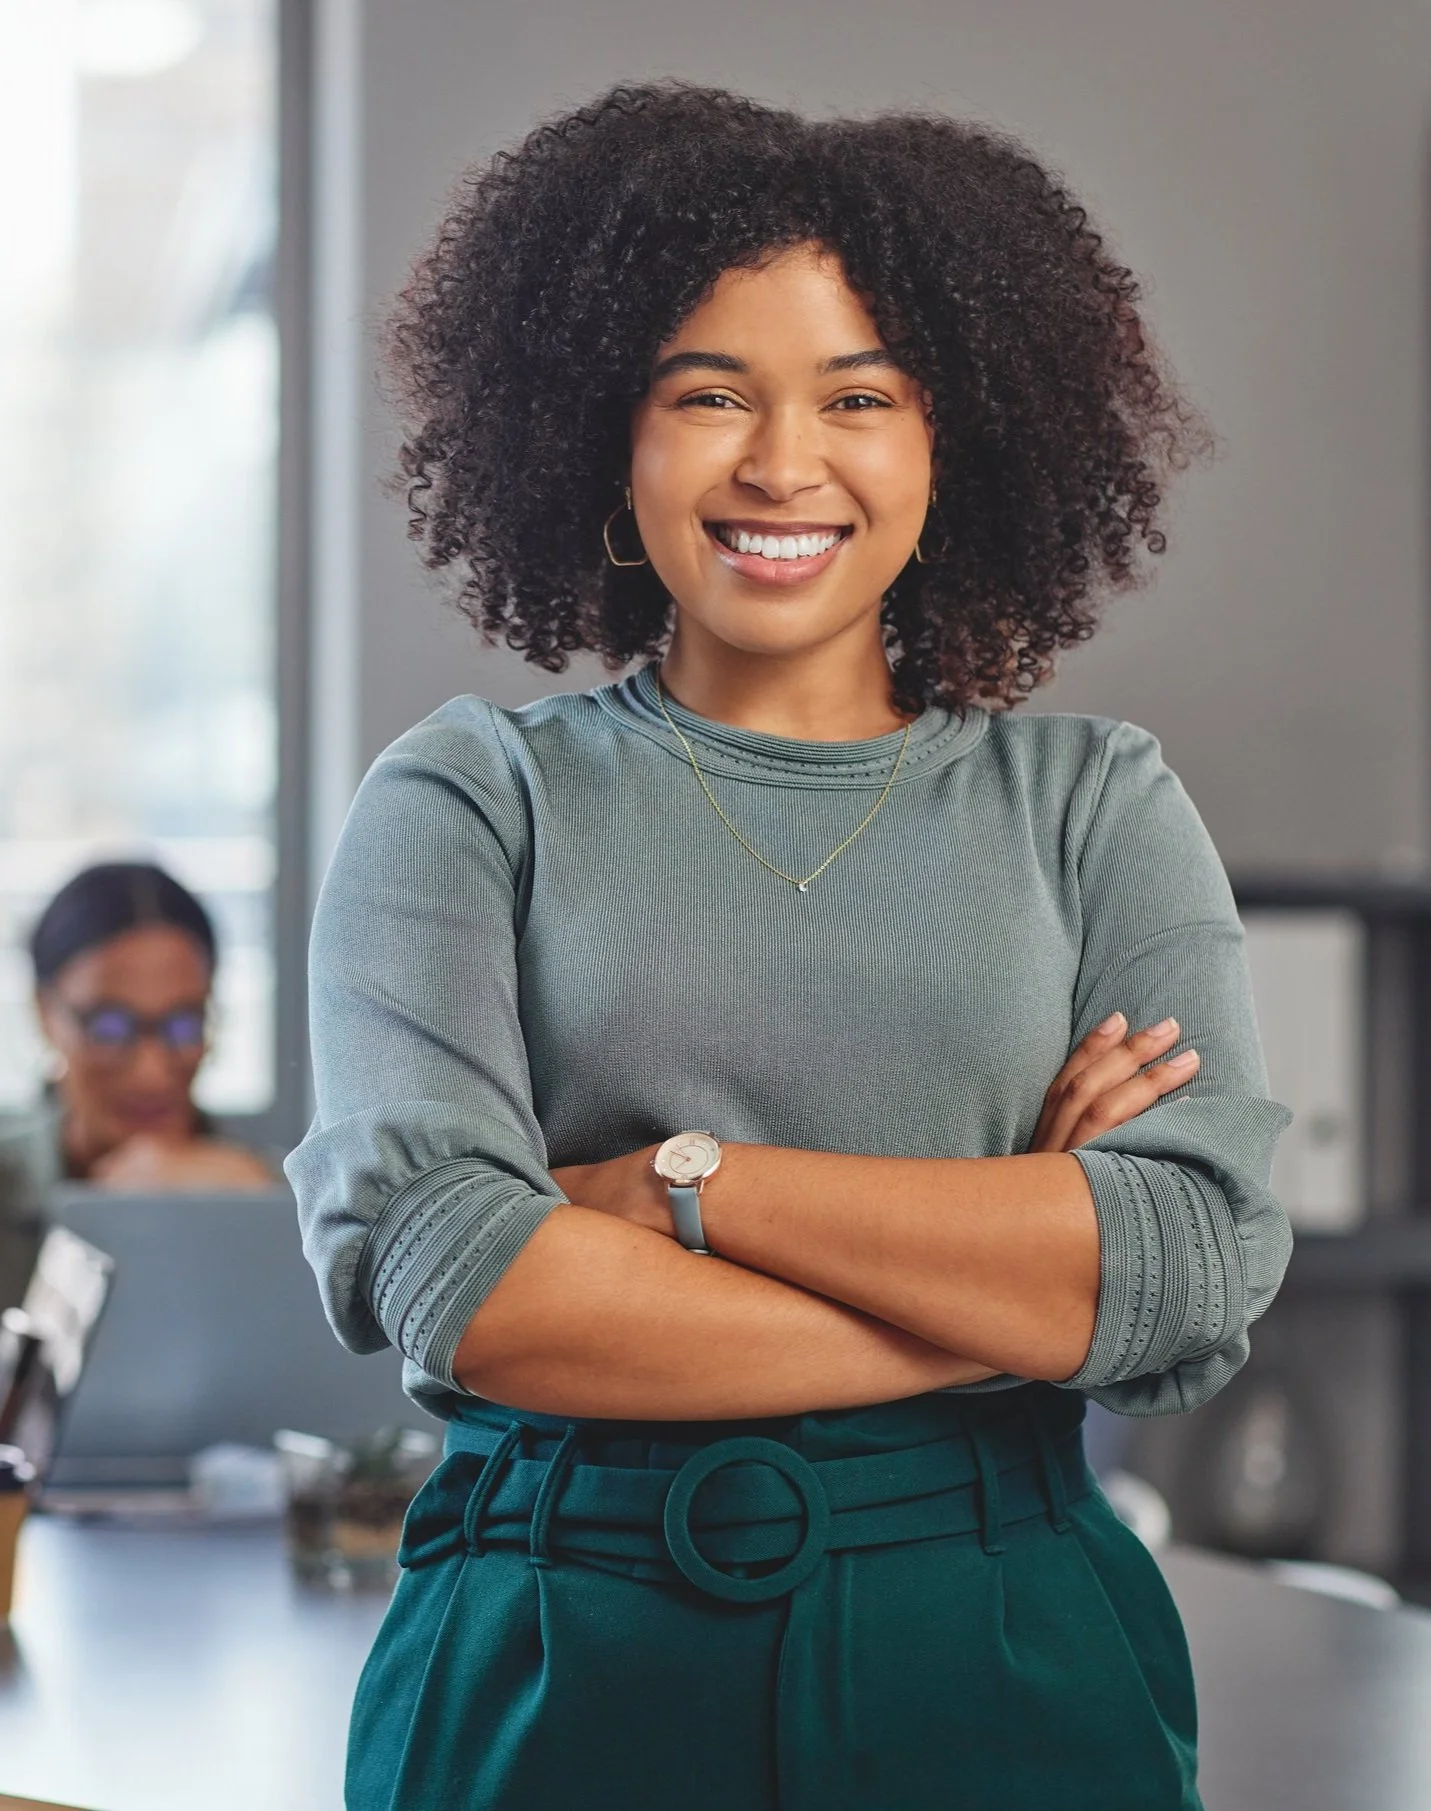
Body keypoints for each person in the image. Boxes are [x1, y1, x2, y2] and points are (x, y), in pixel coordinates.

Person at [287, 84, 1292, 1810]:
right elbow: (467, 1286)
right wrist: (1016, 1298)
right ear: (607, 433)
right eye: (708, 396)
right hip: (555, 1649)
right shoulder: (468, 799)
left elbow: (1192, 1257)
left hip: (1003, 1642)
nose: (778, 461)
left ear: (947, 443)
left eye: (857, 398)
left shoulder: (1091, 803)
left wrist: (686, 1182)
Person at [7, 860, 273, 1192]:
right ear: (44, 1012)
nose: (151, 1073)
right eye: (108, 1029)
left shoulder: (289, 1199)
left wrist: (263, 1211)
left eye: (182, 1026)